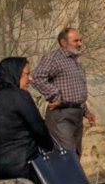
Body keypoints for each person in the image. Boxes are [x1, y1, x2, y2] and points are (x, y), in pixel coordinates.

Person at [30, 28, 96, 156]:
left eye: (80, 40)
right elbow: (36, 77)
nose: (80, 44)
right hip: (61, 115)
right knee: (67, 155)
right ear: (63, 42)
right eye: (75, 40)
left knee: (76, 154)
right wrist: (55, 96)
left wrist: (86, 112)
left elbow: (75, 91)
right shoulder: (54, 58)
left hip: (76, 115)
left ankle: (73, 176)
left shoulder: (74, 61)